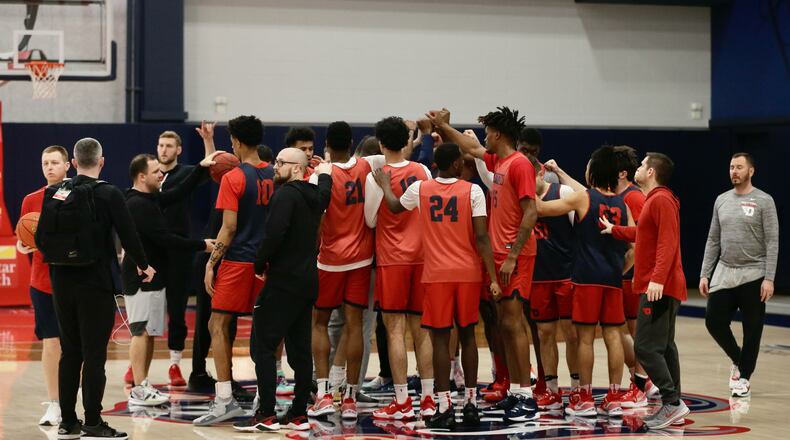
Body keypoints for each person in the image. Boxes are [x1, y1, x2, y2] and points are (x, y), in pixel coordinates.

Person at [373, 143, 502, 429]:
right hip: (468, 273)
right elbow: (482, 238)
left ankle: (443, 404)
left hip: (435, 274)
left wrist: (385, 185)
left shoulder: (421, 188)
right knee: (468, 337)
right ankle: (470, 402)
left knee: (441, 340)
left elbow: (394, 208)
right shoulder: (474, 191)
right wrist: (492, 277)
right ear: (457, 164)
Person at [36, 137, 154, 440]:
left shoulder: (56, 191)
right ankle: (92, 421)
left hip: (60, 281)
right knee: (94, 355)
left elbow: (40, 239)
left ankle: (67, 422)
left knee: (69, 352)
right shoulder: (109, 194)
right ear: (101, 161)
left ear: (73, 164)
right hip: (95, 282)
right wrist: (144, 265)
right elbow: (129, 234)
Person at [427, 106, 539, 422]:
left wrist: (514, 254)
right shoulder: (498, 160)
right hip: (501, 256)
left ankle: (527, 398)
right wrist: (443, 127)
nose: (484, 138)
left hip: (516, 256)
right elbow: (470, 147)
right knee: (504, 323)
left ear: (499, 134)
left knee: (514, 324)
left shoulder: (519, 165)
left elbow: (531, 212)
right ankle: (515, 391)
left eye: (488, 132)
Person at [232, 148, 332, 432]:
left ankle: (265, 412)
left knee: (262, 346)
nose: (275, 167)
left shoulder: (285, 195)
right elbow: (325, 188)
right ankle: (299, 412)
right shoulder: (316, 197)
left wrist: (259, 262)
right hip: (307, 280)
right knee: (300, 349)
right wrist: (324, 172)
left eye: (281, 163)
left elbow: (275, 232)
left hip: (282, 281)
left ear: (298, 169)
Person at [536, 145, 634, 417]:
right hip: (612, 279)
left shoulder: (583, 199)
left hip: (586, 279)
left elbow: (541, 208)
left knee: (585, 339)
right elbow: (635, 247)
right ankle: (614, 396)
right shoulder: (622, 203)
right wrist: (618, 269)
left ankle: (585, 398)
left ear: (595, 170)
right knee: (613, 336)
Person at [194, 115, 274, 426]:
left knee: (218, 324)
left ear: (237, 142)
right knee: (266, 331)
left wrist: (211, 264)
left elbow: (228, 229)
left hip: (239, 260)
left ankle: (225, 399)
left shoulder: (233, 178)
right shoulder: (273, 173)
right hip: (267, 262)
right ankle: (262, 397)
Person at [601, 152, 689, 429]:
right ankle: (674, 402)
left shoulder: (661, 199)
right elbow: (645, 234)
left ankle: (672, 402)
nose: (636, 168)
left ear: (651, 172)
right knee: (664, 346)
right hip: (663, 284)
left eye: (641, 165)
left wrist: (658, 279)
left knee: (645, 347)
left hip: (659, 286)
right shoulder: (656, 200)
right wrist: (615, 229)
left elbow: (667, 242)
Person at [122, 153, 216, 407]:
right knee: (140, 332)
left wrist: (200, 167)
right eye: (155, 172)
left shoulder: (149, 198)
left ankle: (144, 385)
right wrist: (202, 245)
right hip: (141, 278)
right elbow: (166, 238)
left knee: (149, 333)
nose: (161, 174)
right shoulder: (137, 205)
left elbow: (176, 193)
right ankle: (139, 389)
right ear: (142, 177)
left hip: (154, 278)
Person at [307, 121, 385, 419]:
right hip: (362, 259)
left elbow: (316, 217)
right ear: (352, 142)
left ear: (327, 144)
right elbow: (395, 154)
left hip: (329, 259)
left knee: (320, 324)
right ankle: (350, 398)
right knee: (355, 326)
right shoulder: (367, 165)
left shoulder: (321, 175)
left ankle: (325, 393)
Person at [364, 116, 435, 420]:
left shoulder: (375, 177)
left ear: (380, 144)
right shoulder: (423, 170)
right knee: (422, 330)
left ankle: (403, 401)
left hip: (392, 259)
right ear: (407, 141)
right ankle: (430, 399)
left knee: (394, 331)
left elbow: (369, 220)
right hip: (422, 257)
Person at [699, 152, 778, 398]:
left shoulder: (764, 201)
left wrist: (769, 277)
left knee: (752, 329)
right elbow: (713, 239)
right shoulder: (721, 200)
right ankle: (738, 359)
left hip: (754, 272)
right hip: (725, 271)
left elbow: (772, 241)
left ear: (750, 171)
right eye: (732, 167)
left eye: (739, 167)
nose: (734, 171)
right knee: (713, 321)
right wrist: (705, 273)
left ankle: (744, 377)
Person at [149, 127, 215, 387]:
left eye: (169, 145)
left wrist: (208, 140)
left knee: (176, 311)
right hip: (152, 250)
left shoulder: (187, 173)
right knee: (148, 311)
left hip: (178, 249)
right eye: (160, 145)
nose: (163, 149)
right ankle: (136, 364)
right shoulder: (148, 174)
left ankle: (174, 365)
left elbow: (211, 166)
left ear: (178, 150)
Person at [17, 145, 70, 426]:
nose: (49, 167)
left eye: (54, 162)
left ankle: (72, 401)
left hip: (73, 281)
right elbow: (22, 237)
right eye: (44, 163)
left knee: (75, 345)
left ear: (67, 166)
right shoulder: (30, 200)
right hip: (42, 282)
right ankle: (54, 404)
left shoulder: (78, 195)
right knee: (51, 343)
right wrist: (23, 244)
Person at [523, 155, 579, 412]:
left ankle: (578, 389)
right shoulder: (519, 198)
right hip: (538, 277)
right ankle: (552, 390)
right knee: (545, 335)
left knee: (572, 335)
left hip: (567, 274)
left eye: (528, 175)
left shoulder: (562, 191)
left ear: (541, 172)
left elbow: (579, 230)